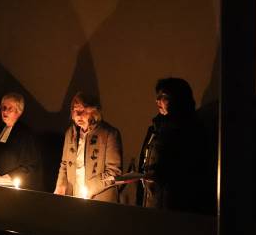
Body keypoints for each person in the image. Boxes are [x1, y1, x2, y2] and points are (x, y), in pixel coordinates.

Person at [138, 78, 211, 213]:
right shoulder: (156, 128)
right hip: (153, 200)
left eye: (163, 96)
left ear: (178, 99)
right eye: (157, 96)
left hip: (174, 205)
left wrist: (159, 173)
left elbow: (186, 168)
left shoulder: (189, 130)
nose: (157, 100)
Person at [54, 92, 122, 202]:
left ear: (93, 111)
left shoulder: (109, 134)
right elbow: (65, 164)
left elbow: (113, 171)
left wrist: (88, 189)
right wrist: (61, 185)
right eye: (75, 111)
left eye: (83, 111)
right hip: (74, 197)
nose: (78, 115)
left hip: (99, 200)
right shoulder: (70, 133)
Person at [0, 93, 41, 189]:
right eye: (3, 107)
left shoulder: (25, 134)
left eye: (10, 108)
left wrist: (10, 176)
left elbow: (30, 166)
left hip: (11, 185)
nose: (5, 111)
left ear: (19, 112)